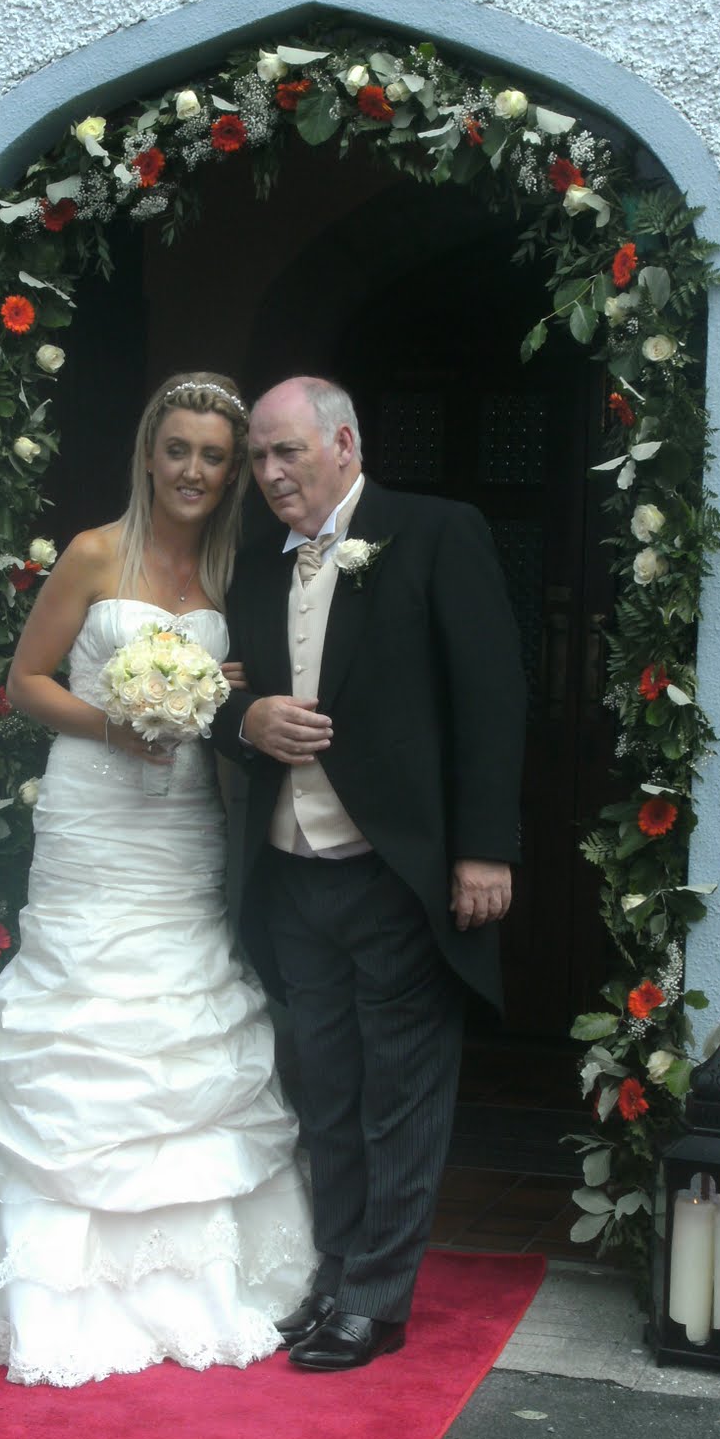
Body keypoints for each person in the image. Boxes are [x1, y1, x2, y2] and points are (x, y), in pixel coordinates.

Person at [0, 372, 315, 1387]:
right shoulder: (95, 552)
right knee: (86, 1015)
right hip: (94, 818)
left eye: (215, 455)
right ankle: (62, 1287)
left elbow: (253, 692)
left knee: (178, 1010)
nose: (195, 470)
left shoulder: (237, 569)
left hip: (184, 821)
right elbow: (26, 683)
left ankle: (193, 1280)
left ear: (233, 471)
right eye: (179, 449)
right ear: (151, 452)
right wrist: (119, 718)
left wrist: (219, 695)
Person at [210, 376, 525, 1372]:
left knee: (401, 1095)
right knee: (326, 1092)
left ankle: (378, 1297)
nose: (267, 474)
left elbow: (491, 693)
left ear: (344, 443)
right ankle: (335, 1275)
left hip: (399, 872)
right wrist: (245, 720)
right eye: (257, 458)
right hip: (293, 874)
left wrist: (484, 847)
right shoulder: (257, 571)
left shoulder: (434, 532)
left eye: (284, 453)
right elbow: (227, 703)